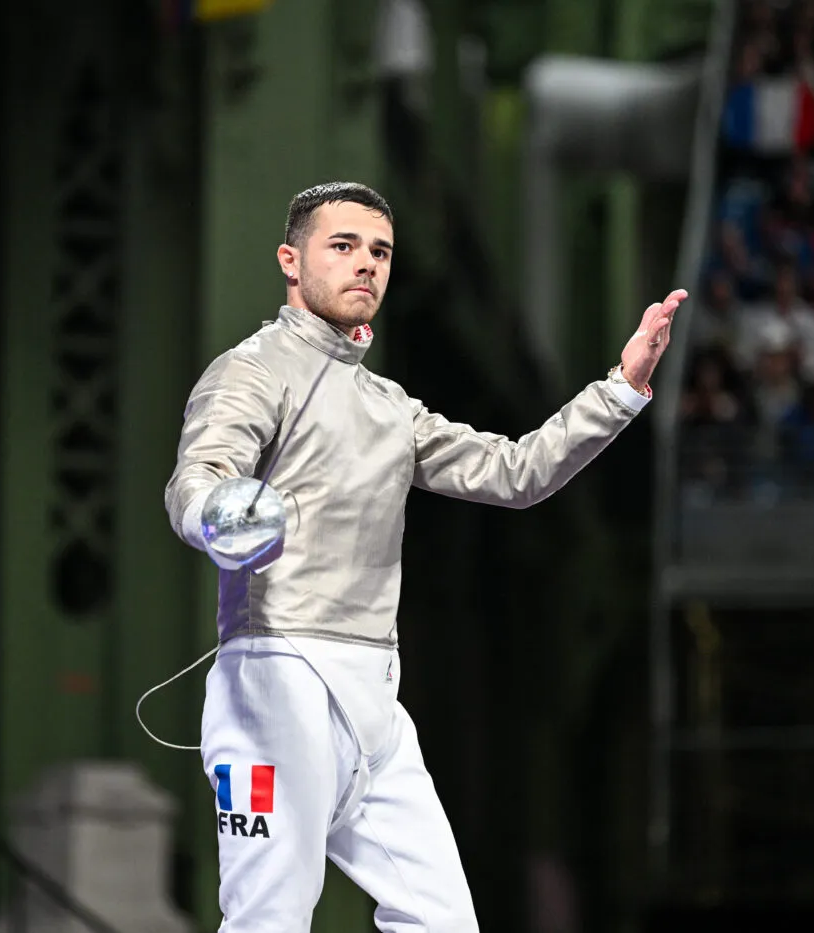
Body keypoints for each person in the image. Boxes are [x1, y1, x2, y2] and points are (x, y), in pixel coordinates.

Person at [163, 181, 683, 931]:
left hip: (374, 697)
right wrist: (222, 514)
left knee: (441, 920)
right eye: (343, 246)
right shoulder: (253, 370)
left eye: (380, 252)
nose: (365, 265)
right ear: (291, 259)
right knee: (268, 919)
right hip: (277, 683)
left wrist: (622, 387)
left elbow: (516, 471)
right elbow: (200, 476)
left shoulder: (390, 407)